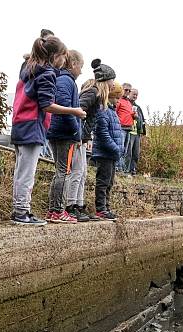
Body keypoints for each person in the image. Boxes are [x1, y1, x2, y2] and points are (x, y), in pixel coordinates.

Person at [10, 35, 86, 226]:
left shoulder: (29, 68)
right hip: (33, 126)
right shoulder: (47, 73)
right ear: (55, 56)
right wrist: (74, 111)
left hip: (20, 124)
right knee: (27, 172)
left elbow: (28, 57)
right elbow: (47, 105)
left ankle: (20, 209)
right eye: (63, 56)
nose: (64, 61)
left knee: (21, 171)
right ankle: (21, 211)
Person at [46, 50, 85, 224]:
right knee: (64, 171)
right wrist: (76, 133)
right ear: (74, 64)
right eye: (81, 67)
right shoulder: (66, 81)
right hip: (64, 133)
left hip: (57, 131)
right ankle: (57, 210)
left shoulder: (61, 79)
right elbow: (64, 107)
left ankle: (53, 210)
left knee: (60, 171)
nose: (81, 71)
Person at [77, 59, 116, 220]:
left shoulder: (99, 97)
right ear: (105, 80)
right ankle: (72, 208)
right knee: (77, 173)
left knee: (82, 174)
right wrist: (79, 134)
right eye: (112, 80)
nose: (113, 84)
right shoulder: (94, 92)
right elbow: (78, 110)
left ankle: (78, 207)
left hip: (83, 138)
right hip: (77, 138)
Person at [91, 83, 124, 221]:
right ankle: (101, 209)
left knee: (109, 182)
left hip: (112, 154)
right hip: (105, 153)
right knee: (103, 181)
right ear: (110, 96)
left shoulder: (112, 112)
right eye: (117, 97)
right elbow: (103, 133)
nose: (118, 101)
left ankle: (106, 207)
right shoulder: (104, 111)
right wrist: (116, 149)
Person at [115, 83, 135, 173]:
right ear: (122, 89)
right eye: (126, 90)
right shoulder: (118, 100)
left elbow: (131, 115)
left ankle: (121, 168)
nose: (127, 92)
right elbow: (114, 113)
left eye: (129, 91)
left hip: (128, 128)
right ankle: (118, 168)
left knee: (125, 151)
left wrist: (135, 115)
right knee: (120, 148)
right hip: (121, 128)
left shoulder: (128, 103)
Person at [126, 88, 146, 175]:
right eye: (134, 94)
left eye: (136, 95)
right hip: (128, 131)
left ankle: (133, 170)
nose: (135, 96)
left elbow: (142, 119)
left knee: (136, 154)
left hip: (137, 133)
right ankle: (126, 170)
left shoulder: (138, 107)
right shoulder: (126, 104)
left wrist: (143, 131)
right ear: (129, 93)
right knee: (128, 153)